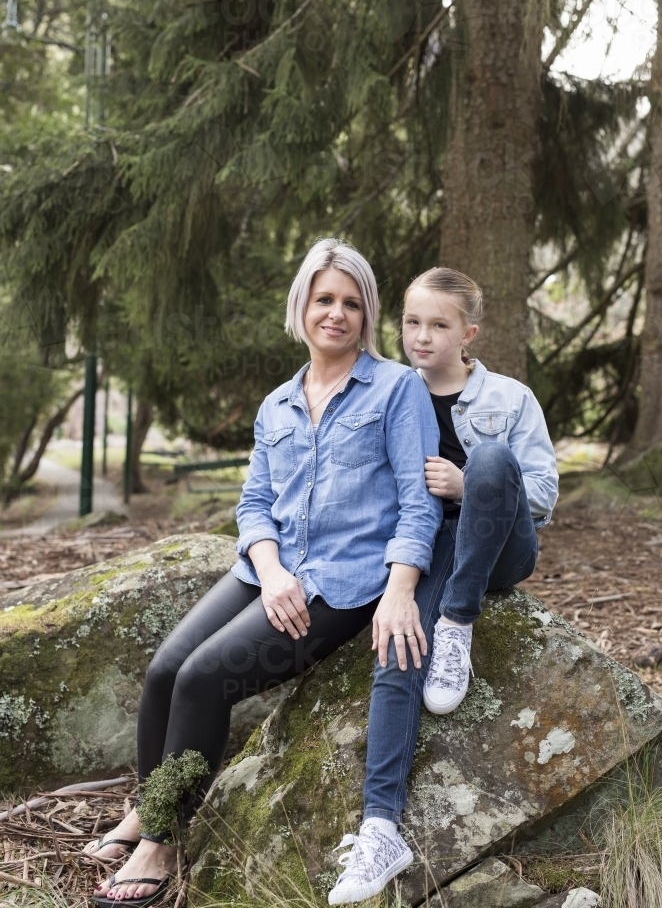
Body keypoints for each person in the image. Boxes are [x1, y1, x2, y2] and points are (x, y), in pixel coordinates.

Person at [86, 238, 442, 906]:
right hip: (270, 571)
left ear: (366, 314)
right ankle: (146, 803)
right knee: (165, 668)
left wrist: (399, 591)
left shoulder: (397, 390)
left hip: (344, 583)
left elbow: (418, 503)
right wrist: (271, 570)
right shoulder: (277, 403)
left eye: (350, 303)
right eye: (323, 299)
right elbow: (254, 504)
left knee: (204, 678)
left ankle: (162, 840)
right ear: (301, 305)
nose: (335, 314)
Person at [327, 267, 558, 905]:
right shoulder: (385, 391)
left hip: (498, 551)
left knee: (488, 459)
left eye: (439, 325)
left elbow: (542, 493)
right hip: (425, 550)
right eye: (411, 323)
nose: (422, 337)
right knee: (397, 645)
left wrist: (466, 484)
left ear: (468, 334)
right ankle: (380, 828)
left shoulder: (509, 399)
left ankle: (459, 621)